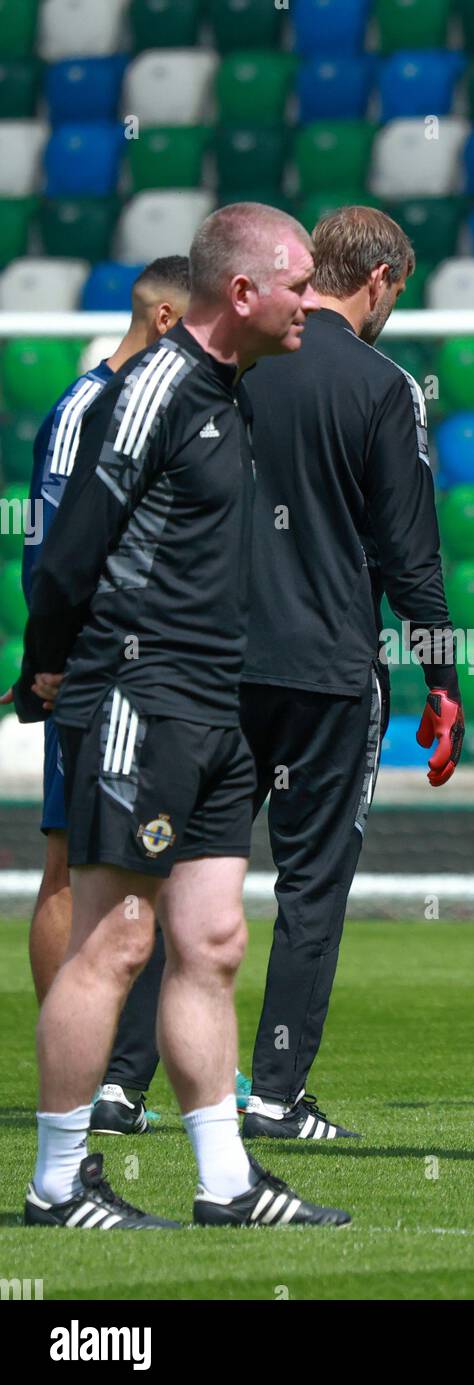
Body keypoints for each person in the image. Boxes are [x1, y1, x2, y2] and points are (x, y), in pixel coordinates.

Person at [4, 203, 348, 1230]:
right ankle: (57, 1183)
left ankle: (225, 1180)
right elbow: (68, 555)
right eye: (296, 286)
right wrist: (47, 671)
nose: (309, 305)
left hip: (214, 705)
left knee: (209, 942)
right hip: (141, 700)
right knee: (113, 942)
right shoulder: (148, 391)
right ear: (242, 293)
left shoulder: (232, 391)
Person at [94, 205, 464, 1143]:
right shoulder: (383, 385)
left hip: (210, 665)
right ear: (378, 280)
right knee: (310, 888)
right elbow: (411, 555)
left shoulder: (231, 368)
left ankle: (121, 1085)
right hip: (329, 671)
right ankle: (275, 1093)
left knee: (170, 871)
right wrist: (442, 676)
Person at [22, 257, 190, 1005]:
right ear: (164, 321)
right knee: (69, 861)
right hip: (89, 670)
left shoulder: (162, 410)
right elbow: (55, 548)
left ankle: (137, 1054)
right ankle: (73, 1057)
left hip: (160, 668)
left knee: (163, 861)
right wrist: (53, 659)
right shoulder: (85, 408)